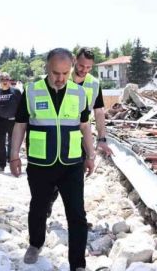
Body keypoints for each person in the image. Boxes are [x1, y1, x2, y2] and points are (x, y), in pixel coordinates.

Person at [10, 48, 96, 271]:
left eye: (65, 73)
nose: (60, 78)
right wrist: (14, 155)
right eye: (55, 73)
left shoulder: (79, 94)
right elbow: (20, 126)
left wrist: (90, 154)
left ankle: (77, 266)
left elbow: (85, 126)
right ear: (46, 68)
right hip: (40, 164)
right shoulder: (31, 91)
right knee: (38, 207)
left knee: (77, 214)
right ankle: (35, 243)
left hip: (71, 164)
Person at [46, 47, 114, 218]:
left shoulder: (93, 84)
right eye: (82, 66)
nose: (84, 70)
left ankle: (78, 218)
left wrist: (102, 138)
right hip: (58, 136)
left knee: (77, 179)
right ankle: (47, 203)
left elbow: (99, 112)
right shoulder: (60, 78)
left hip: (81, 136)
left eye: (89, 67)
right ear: (75, 61)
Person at [0, 72, 21, 173]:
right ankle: (1, 166)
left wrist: (22, 121)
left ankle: (12, 164)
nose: (5, 81)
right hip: (1, 120)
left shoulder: (16, 92)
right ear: (0, 81)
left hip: (13, 121)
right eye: (2, 79)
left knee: (12, 144)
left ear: (9, 80)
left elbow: (22, 107)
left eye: (6, 79)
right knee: (1, 144)